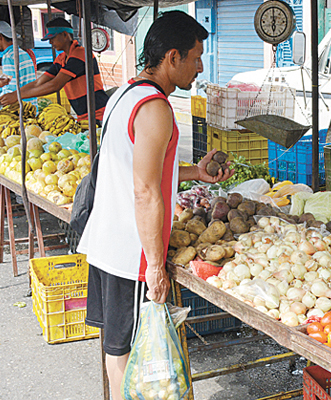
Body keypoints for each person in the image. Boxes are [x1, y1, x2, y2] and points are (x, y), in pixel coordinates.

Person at [76, 11, 232, 400]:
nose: (199, 68)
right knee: (128, 353)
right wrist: (155, 266)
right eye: (196, 58)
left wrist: (195, 172)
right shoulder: (156, 108)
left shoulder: (124, 96)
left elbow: (140, 165)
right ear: (172, 57)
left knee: (118, 351)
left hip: (106, 242)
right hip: (131, 253)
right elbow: (145, 191)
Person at [0, 17, 108, 121]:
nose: (50, 42)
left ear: (65, 35)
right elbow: (38, 82)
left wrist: (17, 96)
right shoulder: (61, 59)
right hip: (83, 116)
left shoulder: (81, 54)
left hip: (98, 114)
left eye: (52, 38)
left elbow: (55, 85)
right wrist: (15, 94)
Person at [0, 21, 37, 107]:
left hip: (20, 109)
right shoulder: (21, 53)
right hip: (30, 106)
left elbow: (10, 89)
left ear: (0, 37)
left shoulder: (9, 56)